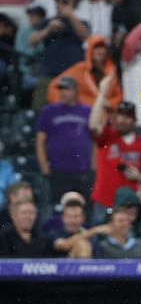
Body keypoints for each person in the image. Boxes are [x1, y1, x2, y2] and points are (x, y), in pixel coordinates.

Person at [89, 75, 141, 223]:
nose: (123, 119)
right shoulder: (107, 136)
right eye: (120, 115)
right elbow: (92, 126)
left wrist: (139, 177)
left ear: (134, 120)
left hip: (128, 206)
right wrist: (102, 93)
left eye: (127, 116)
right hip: (104, 202)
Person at [36, 76, 94, 206]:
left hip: (82, 171)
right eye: (60, 89)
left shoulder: (87, 111)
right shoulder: (49, 111)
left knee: (83, 209)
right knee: (58, 209)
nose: (62, 92)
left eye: (66, 89)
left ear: (75, 91)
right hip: (58, 171)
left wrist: (93, 167)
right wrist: (44, 166)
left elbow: (94, 140)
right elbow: (40, 141)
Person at [46, 35, 122, 110]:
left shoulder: (112, 70)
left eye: (102, 47)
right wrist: (65, 106)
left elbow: (118, 96)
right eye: (95, 47)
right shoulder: (80, 69)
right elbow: (54, 85)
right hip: (83, 114)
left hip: (107, 114)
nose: (99, 51)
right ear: (89, 50)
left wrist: (110, 104)